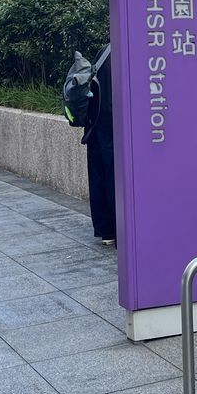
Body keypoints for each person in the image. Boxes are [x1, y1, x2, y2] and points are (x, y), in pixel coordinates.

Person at [83, 45, 116, 246]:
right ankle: (122, 230)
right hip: (115, 126)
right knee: (115, 178)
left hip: (95, 125)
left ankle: (106, 232)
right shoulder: (128, 51)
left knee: (99, 177)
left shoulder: (105, 51)